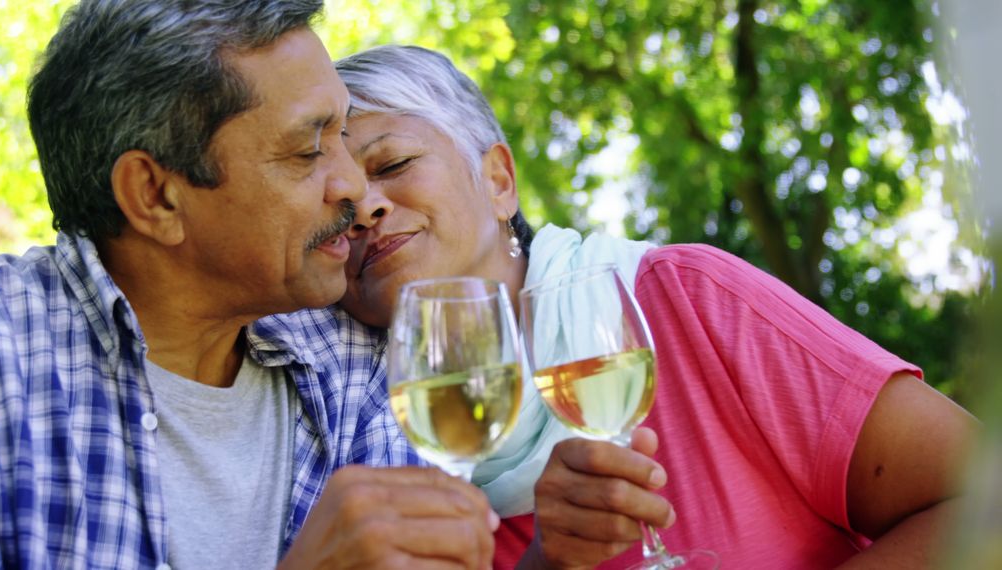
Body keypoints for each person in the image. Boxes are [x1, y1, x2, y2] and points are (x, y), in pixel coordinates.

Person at [331, 44, 982, 568]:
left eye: (391, 162)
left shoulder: (685, 298)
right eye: (337, 207)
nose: (365, 208)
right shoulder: (351, 446)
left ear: (499, 180)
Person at [0, 3, 501, 569]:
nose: (352, 184)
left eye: (343, 134)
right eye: (307, 151)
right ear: (155, 196)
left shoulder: (361, 359)